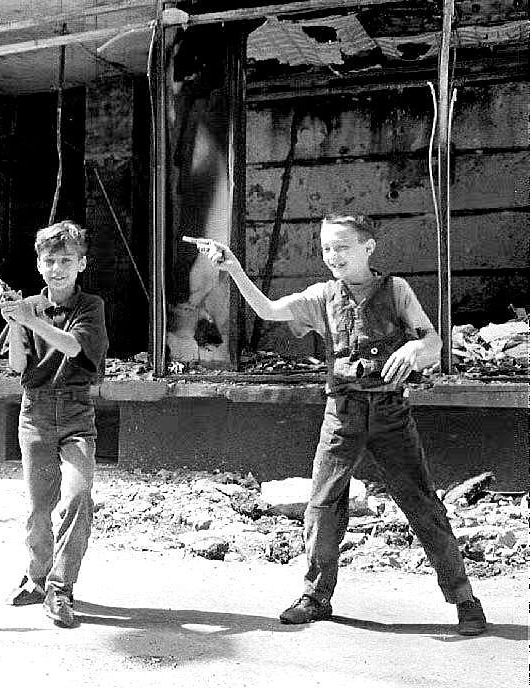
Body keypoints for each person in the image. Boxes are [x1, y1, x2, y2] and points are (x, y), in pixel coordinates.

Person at [200, 213, 487, 636]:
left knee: (422, 504)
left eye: (342, 247)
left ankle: (464, 598)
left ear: (368, 248)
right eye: (326, 248)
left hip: (391, 415)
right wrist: (234, 268)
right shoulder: (321, 296)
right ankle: (316, 597)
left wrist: (415, 349)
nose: (332, 255)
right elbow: (268, 309)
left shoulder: (397, 290)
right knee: (322, 505)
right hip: (342, 414)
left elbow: (433, 342)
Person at [0, 220, 108, 629]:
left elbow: (73, 346)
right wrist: (14, 322)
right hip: (36, 412)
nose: (57, 267)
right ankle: (37, 577)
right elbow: (17, 366)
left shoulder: (90, 306)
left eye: (66, 260)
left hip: (77, 412)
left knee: (79, 497)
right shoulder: (28, 307)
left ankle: (62, 589)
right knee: (38, 508)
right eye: (50, 260)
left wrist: (28, 318)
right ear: (39, 265)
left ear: (82, 263)